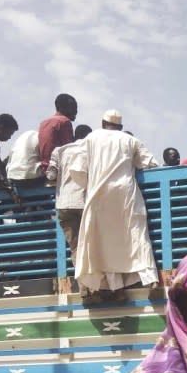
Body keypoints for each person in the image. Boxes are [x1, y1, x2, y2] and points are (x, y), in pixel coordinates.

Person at [71, 109, 158, 300]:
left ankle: (115, 287)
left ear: (103, 123)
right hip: (126, 193)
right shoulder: (130, 140)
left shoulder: (91, 138)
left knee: (104, 243)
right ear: (120, 127)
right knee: (136, 234)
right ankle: (150, 278)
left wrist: (90, 185)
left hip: (99, 196)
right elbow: (150, 163)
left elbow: (77, 169)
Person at [47, 124, 93, 264]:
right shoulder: (91, 150)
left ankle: (83, 285)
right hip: (85, 202)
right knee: (91, 245)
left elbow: (50, 175)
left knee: (75, 247)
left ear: (74, 136)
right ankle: (95, 283)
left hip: (64, 204)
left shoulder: (59, 151)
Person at [38, 93, 78, 172]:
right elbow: (68, 150)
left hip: (43, 168)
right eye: (73, 108)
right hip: (56, 169)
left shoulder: (44, 123)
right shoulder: (64, 121)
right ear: (63, 107)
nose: (76, 111)